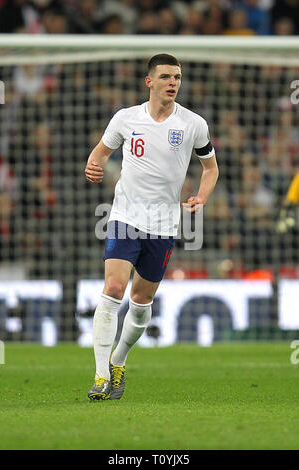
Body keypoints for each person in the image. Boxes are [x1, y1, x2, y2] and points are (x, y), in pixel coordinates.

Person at [84, 53, 219, 401]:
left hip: (163, 224)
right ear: (150, 82)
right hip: (125, 217)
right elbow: (100, 153)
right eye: (165, 77)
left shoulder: (193, 124)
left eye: (176, 77)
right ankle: (100, 377)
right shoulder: (125, 119)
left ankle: (119, 359)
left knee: (141, 302)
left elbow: (210, 168)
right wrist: (93, 165)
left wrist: (201, 197)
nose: (173, 82)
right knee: (113, 288)